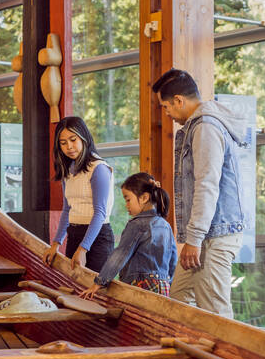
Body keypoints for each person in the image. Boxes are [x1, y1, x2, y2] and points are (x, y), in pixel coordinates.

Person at [151, 68, 250, 318]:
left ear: (179, 101)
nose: (168, 114)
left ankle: (228, 357)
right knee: (179, 300)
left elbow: (207, 184)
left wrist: (193, 240)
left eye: (166, 107)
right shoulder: (197, 127)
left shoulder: (206, 127)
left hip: (215, 235)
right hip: (206, 234)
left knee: (215, 312)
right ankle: (192, 355)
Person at [78, 172, 176, 298]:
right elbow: (173, 260)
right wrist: (168, 283)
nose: (126, 205)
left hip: (140, 286)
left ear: (144, 198)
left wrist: (99, 282)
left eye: (128, 199)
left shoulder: (137, 224)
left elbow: (120, 254)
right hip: (163, 287)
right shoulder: (165, 225)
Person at [42, 117, 115, 272]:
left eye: (73, 140)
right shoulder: (67, 171)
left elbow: (100, 213)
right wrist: (56, 244)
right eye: (63, 143)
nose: (69, 146)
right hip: (74, 235)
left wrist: (83, 249)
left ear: (84, 138)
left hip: (97, 238)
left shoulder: (99, 168)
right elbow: (67, 210)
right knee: (74, 289)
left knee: (94, 292)